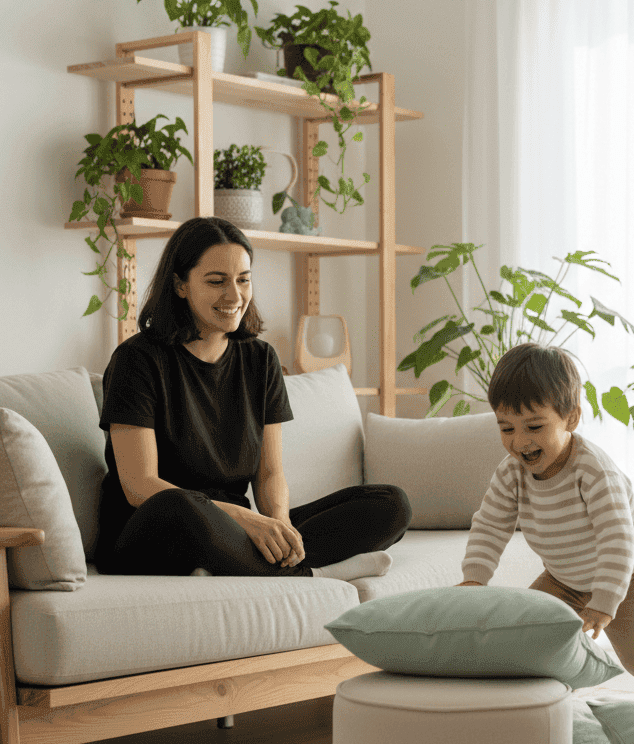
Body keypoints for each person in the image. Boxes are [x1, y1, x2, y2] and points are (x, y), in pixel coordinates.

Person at [94, 216, 411, 580]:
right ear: (180, 284)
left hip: (233, 531)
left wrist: (278, 526)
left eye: (243, 280)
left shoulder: (261, 359)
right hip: (158, 531)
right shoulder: (137, 360)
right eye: (216, 282)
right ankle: (313, 574)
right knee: (182, 506)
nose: (234, 296)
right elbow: (139, 486)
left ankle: (258, 565)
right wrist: (245, 518)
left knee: (390, 504)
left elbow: (270, 473)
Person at [456, 342, 634, 707]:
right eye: (506, 428)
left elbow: (618, 540)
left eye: (534, 426)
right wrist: (474, 579)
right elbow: (490, 525)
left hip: (630, 571)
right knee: (523, 636)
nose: (520, 442)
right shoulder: (511, 472)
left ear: (571, 419)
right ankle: (544, 713)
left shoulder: (593, 471)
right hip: (565, 577)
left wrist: (605, 601)